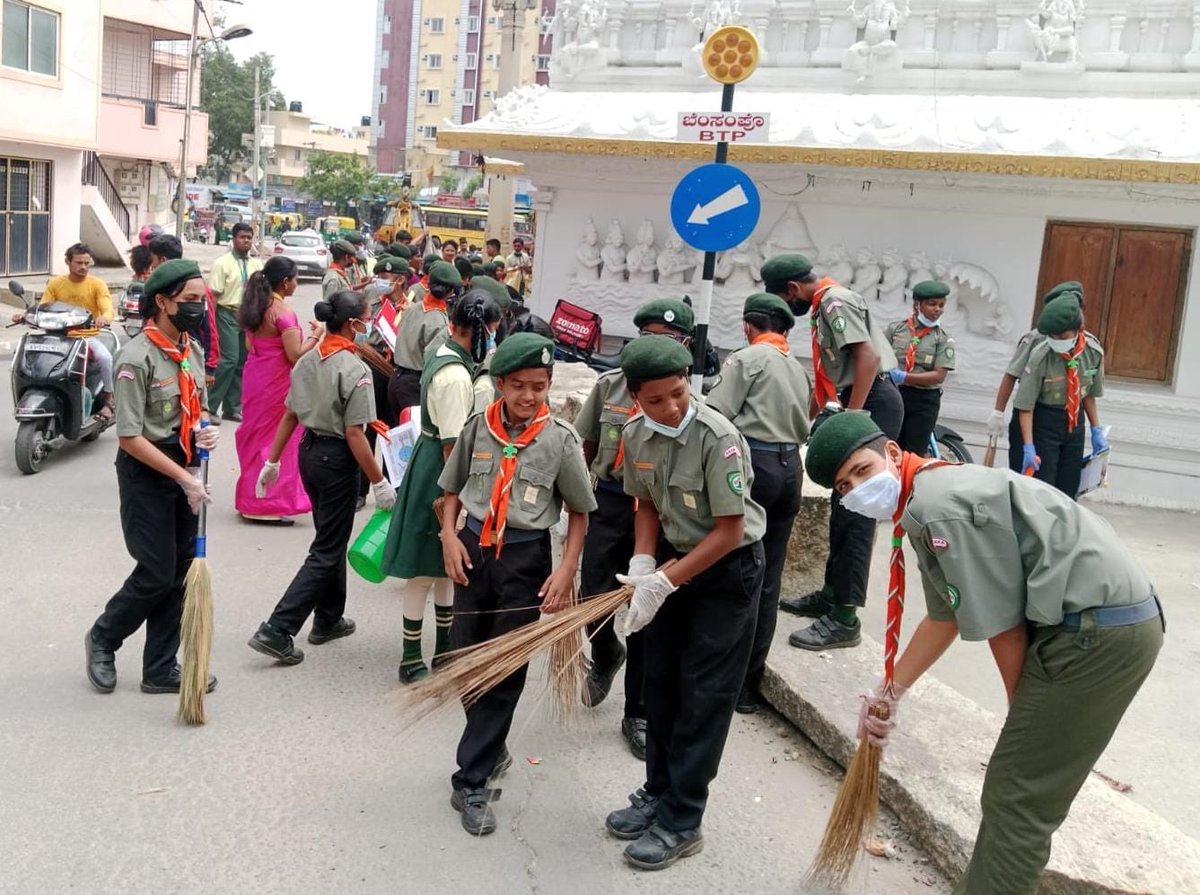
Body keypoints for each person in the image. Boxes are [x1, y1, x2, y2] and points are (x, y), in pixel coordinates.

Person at [804, 410, 1162, 895]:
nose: (857, 489)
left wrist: (1025, 722)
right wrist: (889, 692)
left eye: (862, 471)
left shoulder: (939, 507)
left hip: (1096, 634)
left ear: (891, 452)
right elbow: (946, 616)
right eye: (844, 487)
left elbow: (1005, 628)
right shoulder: (928, 493)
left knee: (1017, 795)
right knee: (1013, 790)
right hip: (1099, 621)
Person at [604, 335, 765, 871]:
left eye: (678, 393)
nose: (670, 407)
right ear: (635, 398)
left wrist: (666, 582)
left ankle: (683, 818)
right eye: (656, 400)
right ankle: (656, 792)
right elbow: (644, 503)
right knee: (661, 683)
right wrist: (645, 563)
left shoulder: (718, 437)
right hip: (672, 561)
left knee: (703, 694)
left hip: (726, 571)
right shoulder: (635, 435)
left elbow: (728, 530)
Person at [436, 332, 595, 836]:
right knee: (467, 661)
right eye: (520, 386)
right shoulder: (476, 429)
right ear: (500, 384)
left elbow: (579, 513)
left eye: (540, 387)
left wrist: (567, 568)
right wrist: (447, 537)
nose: (530, 397)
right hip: (472, 552)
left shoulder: (560, 439)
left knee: (503, 671)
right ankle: (489, 747)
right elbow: (451, 492)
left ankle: (472, 780)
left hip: (524, 559)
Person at [84, 259, 220, 695]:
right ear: (162, 302)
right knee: (156, 572)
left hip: (184, 468)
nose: (198, 309)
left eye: (202, 301)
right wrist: (184, 478)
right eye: (190, 301)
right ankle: (104, 637)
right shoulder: (135, 358)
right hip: (148, 473)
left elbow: (193, 409)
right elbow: (128, 436)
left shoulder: (191, 351)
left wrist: (207, 430)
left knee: (180, 571)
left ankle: (160, 668)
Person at [574, 298, 695, 760]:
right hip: (610, 500)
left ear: (684, 346)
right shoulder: (610, 387)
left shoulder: (687, 401)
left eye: (665, 340)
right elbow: (586, 443)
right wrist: (577, 498)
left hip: (660, 509)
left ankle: (638, 711)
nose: (653, 348)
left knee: (648, 608)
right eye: (646, 337)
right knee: (593, 596)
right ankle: (605, 653)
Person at [763, 253, 903, 650]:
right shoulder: (827, 301)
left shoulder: (832, 302)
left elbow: (869, 358)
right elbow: (830, 378)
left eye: (785, 301)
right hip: (857, 396)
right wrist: (800, 424)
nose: (788, 309)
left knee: (857, 509)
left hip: (870, 399)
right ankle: (831, 593)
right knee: (842, 508)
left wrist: (852, 417)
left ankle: (845, 618)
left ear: (792, 290)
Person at [248, 291, 396, 665]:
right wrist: (378, 482)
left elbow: (290, 416)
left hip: (309, 454)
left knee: (330, 535)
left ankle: (328, 619)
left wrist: (274, 460)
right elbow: (355, 434)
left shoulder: (308, 359)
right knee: (327, 548)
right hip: (336, 459)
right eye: (366, 319)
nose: (369, 325)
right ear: (352, 324)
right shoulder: (355, 369)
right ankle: (278, 628)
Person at [382, 291, 503, 683]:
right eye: (494, 332)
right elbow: (455, 447)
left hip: (432, 462)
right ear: (482, 334)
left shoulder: (448, 351)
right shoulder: (455, 378)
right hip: (440, 472)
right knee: (423, 570)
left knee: (447, 570)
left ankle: (446, 649)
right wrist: (464, 499)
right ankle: (410, 657)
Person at [706, 293, 811, 713]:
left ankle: (721, 681)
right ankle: (748, 688)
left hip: (755, 465)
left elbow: (717, 413)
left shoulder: (745, 360)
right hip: (790, 470)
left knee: (734, 572)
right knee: (769, 579)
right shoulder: (796, 369)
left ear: (749, 327)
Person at [234, 256, 320, 524]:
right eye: (294, 279)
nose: (296, 284)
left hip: (255, 376)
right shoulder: (283, 313)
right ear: (285, 282)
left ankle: (251, 499)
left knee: (255, 435)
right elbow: (295, 355)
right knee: (279, 439)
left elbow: (250, 346)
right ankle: (272, 502)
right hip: (277, 381)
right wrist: (317, 336)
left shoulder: (255, 306)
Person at [1012, 293, 1106, 498]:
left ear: (1078, 330)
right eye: (1052, 336)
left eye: (1062, 337)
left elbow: (1088, 394)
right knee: (1044, 488)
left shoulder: (1093, 352)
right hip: (1044, 422)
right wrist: (1028, 446)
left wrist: (1096, 429)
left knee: (1069, 487)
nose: (1056, 341)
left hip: (1074, 423)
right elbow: (1025, 406)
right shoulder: (1041, 356)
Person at [10, 243, 116, 420]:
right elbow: (43, 306)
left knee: (105, 358)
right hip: (56, 336)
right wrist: (25, 316)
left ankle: (108, 401)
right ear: (68, 262)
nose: (83, 267)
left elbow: (108, 309)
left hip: (84, 337)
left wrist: (104, 317)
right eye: (78, 262)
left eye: (86, 263)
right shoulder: (56, 283)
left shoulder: (97, 285)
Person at [987, 280, 1083, 449]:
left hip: (1065, 417)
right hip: (1034, 412)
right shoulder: (1036, 339)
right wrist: (998, 412)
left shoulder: (1079, 340)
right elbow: (1011, 375)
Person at [884, 280, 957, 455]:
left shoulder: (943, 338)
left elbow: (939, 375)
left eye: (941, 305)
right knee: (890, 448)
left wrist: (904, 377)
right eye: (932, 304)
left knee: (914, 453)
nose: (938, 309)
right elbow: (877, 356)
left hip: (924, 400)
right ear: (917, 304)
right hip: (895, 395)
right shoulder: (896, 330)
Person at [148, 232, 221, 397]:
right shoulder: (154, 289)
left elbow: (210, 329)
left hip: (187, 358)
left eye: (153, 261)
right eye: (190, 299)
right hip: (160, 357)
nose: (151, 266)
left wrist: (210, 366)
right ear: (161, 301)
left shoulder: (197, 287)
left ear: (163, 260)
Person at [389, 260, 462, 416]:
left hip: (396, 379)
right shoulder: (438, 321)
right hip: (414, 386)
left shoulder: (411, 308)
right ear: (450, 291)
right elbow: (433, 359)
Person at [207, 223, 263, 423]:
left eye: (249, 237)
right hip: (227, 314)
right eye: (242, 237)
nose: (246, 241)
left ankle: (232, 408)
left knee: (242, 362)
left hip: (248, 316)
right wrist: (211, 322)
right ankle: (211, 407)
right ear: (233, 239)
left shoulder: (256, 265)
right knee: (228, 360)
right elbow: (213, 295)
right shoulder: (222, 263)